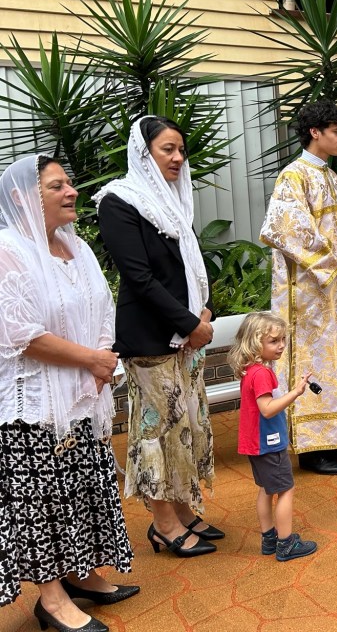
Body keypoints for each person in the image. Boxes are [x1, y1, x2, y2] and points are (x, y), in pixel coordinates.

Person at [1, 155, 136, 632]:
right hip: (34, 404)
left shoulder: (74, 245)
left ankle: (82, 574)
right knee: (42, 502)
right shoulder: (8, 250)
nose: (71, 191)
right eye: (56, 185)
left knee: (81, 489)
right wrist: (91, 360)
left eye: (69, 183)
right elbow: (21, 335)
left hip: (82, 393)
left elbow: (102, 306)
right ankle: (52, 600)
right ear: (23, 197)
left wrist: (103, 357)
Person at [96, 116, 220, 557]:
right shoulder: (118, 201)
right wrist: (190, 324)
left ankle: (183, 509)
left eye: (181, 150)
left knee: (186, 426)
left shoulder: (174, 202)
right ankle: (163, 523)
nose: (178, 157)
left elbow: (194, 266)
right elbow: (140, 277)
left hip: (187, 335)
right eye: (168, 149)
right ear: (143, 152)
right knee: (157, 432)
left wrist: (205, 312)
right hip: (151, 338)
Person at [259, 100, 337, 476]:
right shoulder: (293, 177)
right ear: (315, 132)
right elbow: (286, 231)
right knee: (315, 362)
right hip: (309, 297)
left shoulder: (329, 177)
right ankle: (314, 447)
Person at [228, 312, 318, 562]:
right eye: (274, 341)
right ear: (255, 343)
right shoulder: (262, 373)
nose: (281, 346)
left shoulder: (250, 370)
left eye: (282, 340)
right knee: (286, 489)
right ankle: (285, 543)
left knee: (266, 489)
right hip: (268, 442)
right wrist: (296, 392)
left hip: (255, 443)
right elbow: (267, 409)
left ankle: (269, 538)